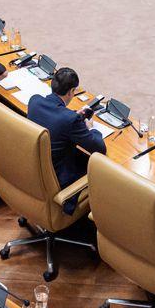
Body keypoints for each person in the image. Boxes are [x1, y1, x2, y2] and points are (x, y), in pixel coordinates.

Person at [28, 67, 106, 212]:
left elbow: (54, 118)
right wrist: (90, 128)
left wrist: (74, 116)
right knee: (104, 169)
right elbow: (100, 148)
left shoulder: (34, 101)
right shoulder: (70, 120)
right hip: (59, 181)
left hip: (32, 172)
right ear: (71, 92)